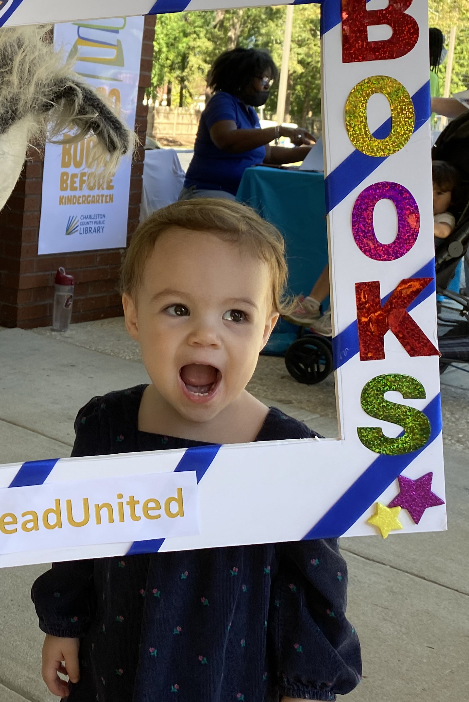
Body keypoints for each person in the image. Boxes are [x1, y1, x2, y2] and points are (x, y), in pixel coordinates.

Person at [31, 198, 362, 702]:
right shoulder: (107, 427)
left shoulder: (291, 456)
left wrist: (305, 688)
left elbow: (312, 590)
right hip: (113, 665)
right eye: (178, 309)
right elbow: (78, 538)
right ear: (133, 315)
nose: (206, 334)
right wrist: (64, 622)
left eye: (236, 314)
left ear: (268, 328)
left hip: (230, 678)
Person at [181, 48, 315, 200]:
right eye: (264, 80)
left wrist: (313, 152)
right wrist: (278, 131)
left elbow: (268, 155)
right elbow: (227, 140)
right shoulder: (222, 102)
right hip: (209, 192)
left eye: (269, 82)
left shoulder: (249, 112)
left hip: (239, 193)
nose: (267, 87)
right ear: (243, 78)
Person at [433, 159, 461, 240]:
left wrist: (419, 224)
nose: (432, 198)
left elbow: (444, 231)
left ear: (452, 199)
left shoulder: (444, 217)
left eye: (439, 193)